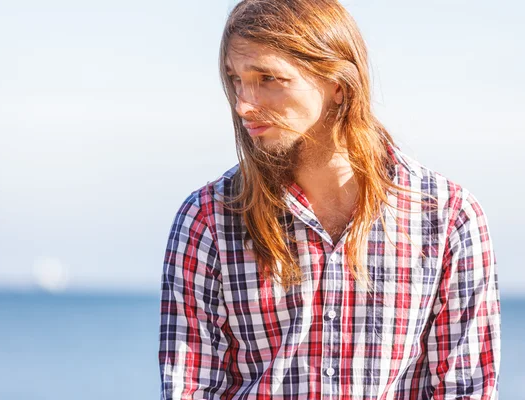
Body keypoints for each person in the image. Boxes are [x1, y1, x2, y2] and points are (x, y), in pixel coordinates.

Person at [159, 0, 501, 398]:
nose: (243, 105)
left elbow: (466, 389)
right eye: (236, 80)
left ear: (338, 85)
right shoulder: (208, 219)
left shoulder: (449, 218)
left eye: (268, 78)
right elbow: (189, 388)